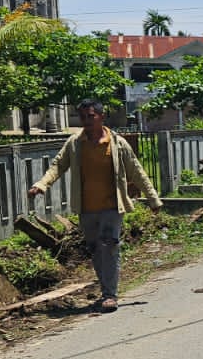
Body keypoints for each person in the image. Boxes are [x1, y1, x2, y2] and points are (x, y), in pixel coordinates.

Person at [28, 99, 163, 312]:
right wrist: (42, 184)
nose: (86, 121)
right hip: (86, 208)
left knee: (109, 247)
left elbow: (136, 171)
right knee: (95, 249)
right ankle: (105, 289)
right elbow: (57, 166)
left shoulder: (117, 143)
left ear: (101, 117)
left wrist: (153, 199)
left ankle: (110, 295)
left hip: (112, 206)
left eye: (90, 116)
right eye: (82, 117)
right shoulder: (74, 143)